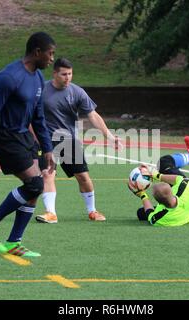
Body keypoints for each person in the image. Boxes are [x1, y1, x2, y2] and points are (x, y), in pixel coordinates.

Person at [0, 32, 56, 258]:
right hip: (5, 139)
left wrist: (47, 148)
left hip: (24, 138)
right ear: (37, 52)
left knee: (34, 190)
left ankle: (14, 242)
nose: (52, 59)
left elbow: (38, 117)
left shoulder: (38, 77)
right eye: (50, 54)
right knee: (35, 185)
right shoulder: (9, 77)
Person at [34, 57, 123, 224]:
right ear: (55, 73)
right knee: (47, 173)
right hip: (46, 140)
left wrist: (109, 136)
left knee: (82, 177)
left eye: (70, 74)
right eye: (63, 74)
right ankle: (51, 213)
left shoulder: (77, 92)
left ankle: (92, 210)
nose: (67, 77)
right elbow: (29, 113)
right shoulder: (41, 90)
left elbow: (93, 115)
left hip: (68, 140)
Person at [129, 136, 189, 227]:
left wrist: (142, 194)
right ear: (172, 190)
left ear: (160, 203)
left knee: (141, 213)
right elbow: (178, 178)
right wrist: (157, 175)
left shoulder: (159, 218)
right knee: (164, 162)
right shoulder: (186, 187)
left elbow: (150, 214)